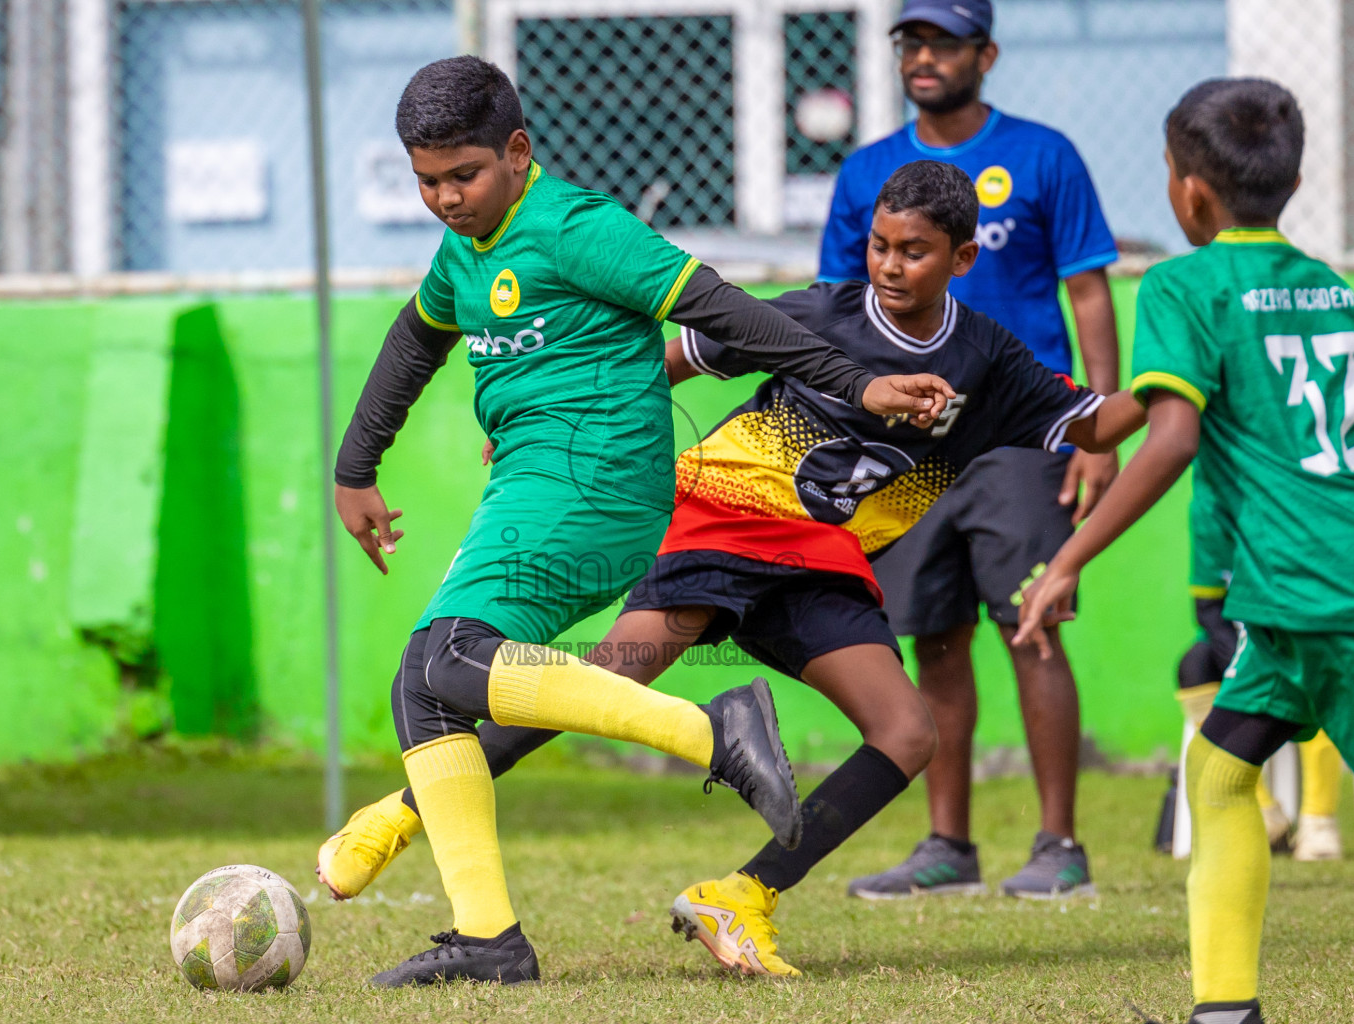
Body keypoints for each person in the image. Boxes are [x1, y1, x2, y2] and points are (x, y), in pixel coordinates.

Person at [322, 160, 1146, 977]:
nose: (891, 266)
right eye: (880, 245)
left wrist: (1177, 385)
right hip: (727, 517)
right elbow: (667, 359)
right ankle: (396, 817)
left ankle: (743, 896)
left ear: (962, 260)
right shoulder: (817, 314)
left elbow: (1099, 424)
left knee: (906, 733)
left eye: (915, 251)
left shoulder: (990, 362)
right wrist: (558, 413)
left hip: (823, 564)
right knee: (610, 679)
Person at [332, 56, 953, 987]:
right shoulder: (467, 250)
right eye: (426, 182)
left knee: (442, 658)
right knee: (428, 692)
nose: (445, 199)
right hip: (536, 486)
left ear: (517, 150)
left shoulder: (578, 228)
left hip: (597, 482)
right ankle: (489, 938)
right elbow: (416, 339)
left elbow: (722, 312)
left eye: (462, 175)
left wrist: (859, 382)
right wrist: (355, 469)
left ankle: (715, 732)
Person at [1014, 78, 1354, 1024]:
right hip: (1343, 559)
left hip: (1310, 577)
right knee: (1222, 772)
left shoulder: (1183, 283)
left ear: (1188, 190)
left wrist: (1071, 557)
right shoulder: (1329, 285)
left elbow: (1174, 438)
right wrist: (1072, 422)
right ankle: (1224, 1009)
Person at [825, 0, 1123, 900]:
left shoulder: (1044, 156)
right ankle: (947, 845)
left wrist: (1100, 429)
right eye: (910, 41)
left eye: (943, 42)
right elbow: (839, 312)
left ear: (985, 54)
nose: (923, 56)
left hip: (1017, 438)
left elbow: (1092, 296)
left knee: (1031, 625)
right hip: (903, 446)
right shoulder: (867, 170)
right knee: (935, 638)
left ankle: (1059, 846)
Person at [1175, 496, 1346, 860]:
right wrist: (1246, 659)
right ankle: (1263, 813)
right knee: (1192, 666)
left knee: (1315, 669)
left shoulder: (1301, 498)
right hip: (1243, 642)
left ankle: (1318, 820)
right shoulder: (1209, 508)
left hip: (1306, 632)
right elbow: (1207, 608)